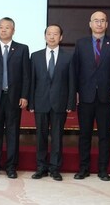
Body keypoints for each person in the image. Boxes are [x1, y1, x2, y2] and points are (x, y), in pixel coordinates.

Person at [72, 11, 110, 182]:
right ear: (90, 24)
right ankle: (83, 168)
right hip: (85, 95)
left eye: (102, 21)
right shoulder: (81, 43)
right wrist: (75, 91)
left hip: (106, 96)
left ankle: (103, 170)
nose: (99, 24)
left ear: (107, 24)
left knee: (104, 135)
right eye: (96, 21)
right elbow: (76, 70)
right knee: (84, 134)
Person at [0, 17, 30, 179]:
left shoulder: (22, 49)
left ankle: (11, 167)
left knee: (12, 133)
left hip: (14, 98)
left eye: (7, 27)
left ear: (13, 30)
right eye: (0, 27)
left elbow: (26, 75)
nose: (3, 30)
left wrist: (24, 95)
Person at [28, 24, 76, 181]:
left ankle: (55, 168)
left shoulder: (68, 57)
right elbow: (31, 81)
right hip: (40, 102)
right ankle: (41, 167)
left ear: (61, 37)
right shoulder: (35, 56)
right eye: (49, 34)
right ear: (44, 36)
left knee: (57, 137)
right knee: (40, 136)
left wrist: (70, 103)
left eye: (55, 34)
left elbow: (72, 82)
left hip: (60, 103)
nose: (52, 36)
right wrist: (31, 103)